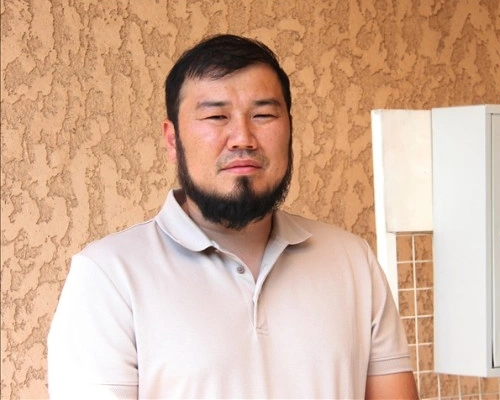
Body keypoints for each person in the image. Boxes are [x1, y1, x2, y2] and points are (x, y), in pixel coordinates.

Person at [47, 34, 418, 399]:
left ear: (290, 129)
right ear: (172, 140)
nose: (243, 138)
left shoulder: (353, 260)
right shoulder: (109, 275)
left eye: (263, 115)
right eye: (216, 116)